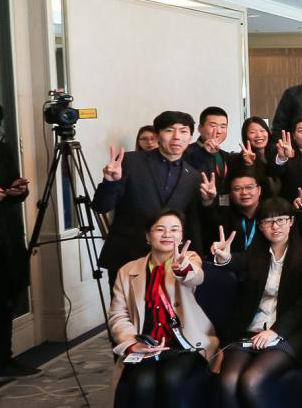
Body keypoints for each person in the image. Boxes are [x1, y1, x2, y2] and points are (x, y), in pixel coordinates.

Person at [107, 210, 218, 408]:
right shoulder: (128, 270)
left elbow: (194, 276)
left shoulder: (188, 259)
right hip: (145, 348)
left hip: (184, 346)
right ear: (148, 236)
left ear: (182, 235)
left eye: (174, 229)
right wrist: (131, 342)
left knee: (170, 379)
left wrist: (182, 268)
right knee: (141, 382)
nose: (167, 234)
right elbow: (118, 315)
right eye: (160, 229)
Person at [210, 198, 302, 408]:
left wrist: (276, 331)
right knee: (228, 382)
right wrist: (223, 258)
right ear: (261, 227)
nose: (275, 226)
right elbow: (233, 262)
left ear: (291, 222)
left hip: (289, 334)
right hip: (250, 331)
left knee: (251, 380)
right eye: (268, 221)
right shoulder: (256, 254)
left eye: (281, 220)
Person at [94, 111, 204, 286]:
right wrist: (110, 183)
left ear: (190, 137)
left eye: (183, 131)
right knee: (125, 304)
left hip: (170, 263)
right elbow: (101, 206)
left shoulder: (194, 176)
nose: (177, 137)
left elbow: (192, 223)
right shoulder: (130, 161)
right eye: (169, 130)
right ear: (158, 135)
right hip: (126, 256)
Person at [0, 108, 33, 378]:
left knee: (2, 304)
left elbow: (12, 190)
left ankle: (3, 361)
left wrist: (18, 190)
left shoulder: (1, 151)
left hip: (1, 239)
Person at [200, 171, 261, 256]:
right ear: (230, 194)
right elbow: (208, 220)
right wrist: (208, 201)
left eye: (249, 187)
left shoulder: (269, 214)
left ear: (259, 190)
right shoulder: (224, 217)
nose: (244, 192)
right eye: (237, 189)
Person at [183, 106, 236, 198]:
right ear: (200, 128)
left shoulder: (225, 155)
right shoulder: (185, 152)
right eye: (213, 126)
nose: (218, 131)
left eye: (223, 126)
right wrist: (204, 152)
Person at [230, 117, 274, 191]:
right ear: (246, 136)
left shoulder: (277, 154)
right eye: (252, 132)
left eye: (262, 131)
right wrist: (249, 165)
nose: (259, 135)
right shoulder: (242, 159)